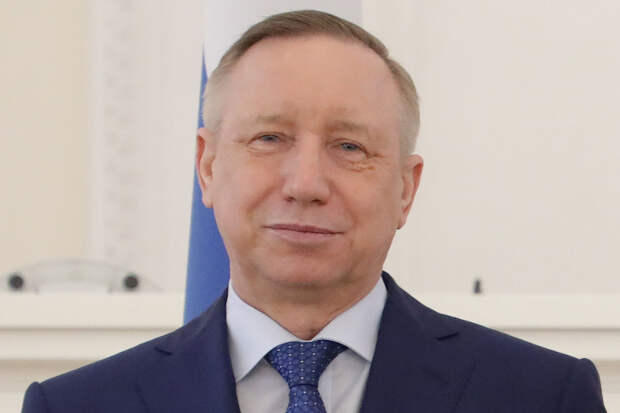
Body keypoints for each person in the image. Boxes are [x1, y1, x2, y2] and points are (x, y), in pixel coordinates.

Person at [22, 10, 606, 413]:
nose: (305, 184)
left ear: (406, 189)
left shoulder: (543, 396)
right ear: (208, 166)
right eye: (269, 138)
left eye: (349, 147)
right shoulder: (76, 406)